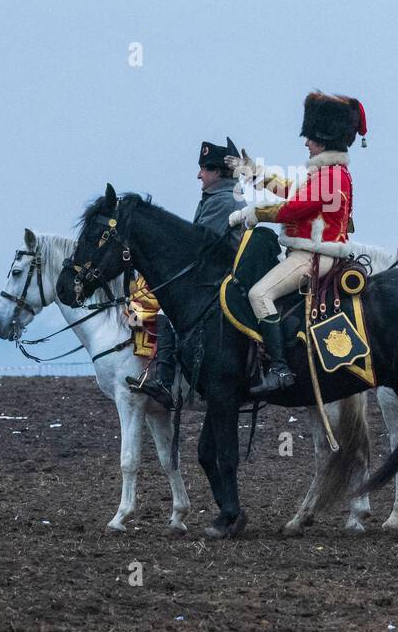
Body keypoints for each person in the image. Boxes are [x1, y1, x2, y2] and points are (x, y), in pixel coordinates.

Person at [227, 92, 366, 394]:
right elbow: (291, 190)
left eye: (310, 139)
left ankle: (279, 369)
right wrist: (255, 174)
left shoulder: (331, 176)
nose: (306, 143)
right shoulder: (327, 174)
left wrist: (253, 213)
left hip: (313, 255)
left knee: (259, 294)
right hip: (306, 252)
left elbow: (293, 209)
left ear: (323, 141)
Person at [127, 137, 242, 408]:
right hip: (213, 274)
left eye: (204, 168)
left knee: (169, 310)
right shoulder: (215, 198)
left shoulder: (222, 201)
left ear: (217, 172)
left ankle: (166, 381)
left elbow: (200, 248)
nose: (199, 174)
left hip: (220, 278)